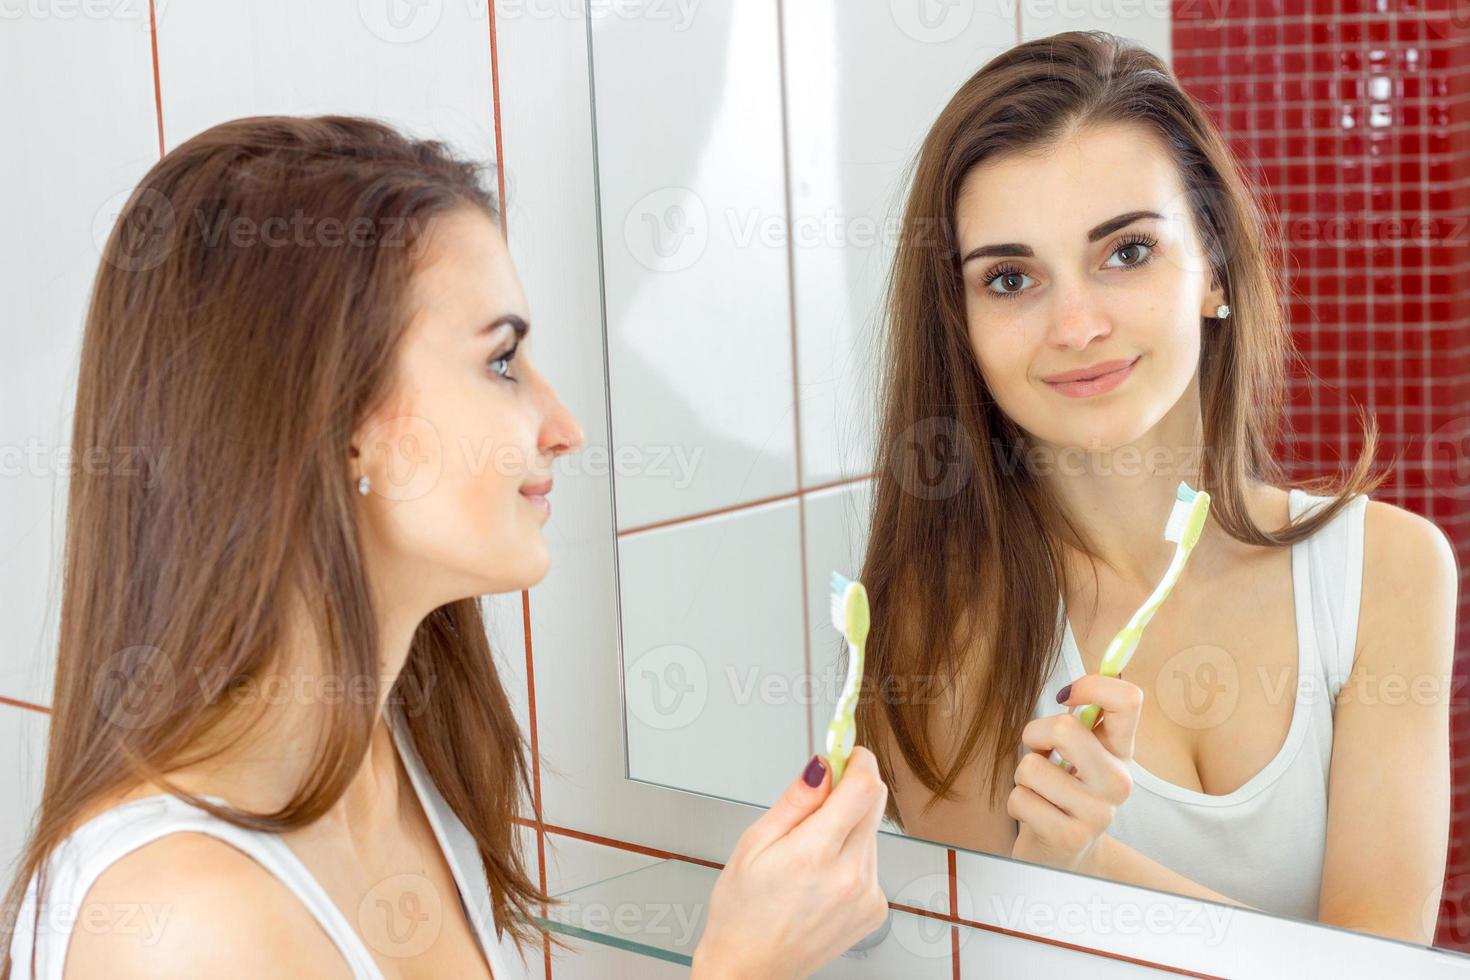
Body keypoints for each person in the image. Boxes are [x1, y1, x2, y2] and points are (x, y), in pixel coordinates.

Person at [1, 114, 889, 980]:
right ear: (338, 421)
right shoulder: (182, 929)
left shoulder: (397, 755)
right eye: (502, 362)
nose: (564, 426)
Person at [855, 30, 1454, 944]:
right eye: (1011, 278)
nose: (1077, 324)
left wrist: (1092, 864)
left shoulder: (1387, 573)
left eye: (1126, 252)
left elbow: (1382, 967)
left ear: (1213, 265)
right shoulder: (938, 622)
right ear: (961, 324)